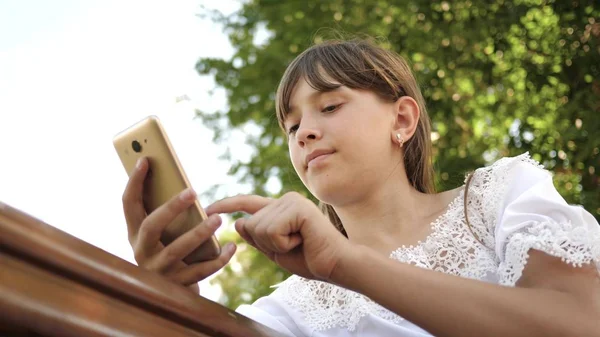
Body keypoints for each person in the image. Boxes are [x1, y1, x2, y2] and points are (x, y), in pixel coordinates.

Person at [121, 38, 600, 337]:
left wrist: (344, 264)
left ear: (403, 119)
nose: (304, 131)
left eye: (329, 107)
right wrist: (160, 302)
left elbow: (582, 323)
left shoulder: (501, 197)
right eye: (291, 127)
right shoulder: (288, 309)